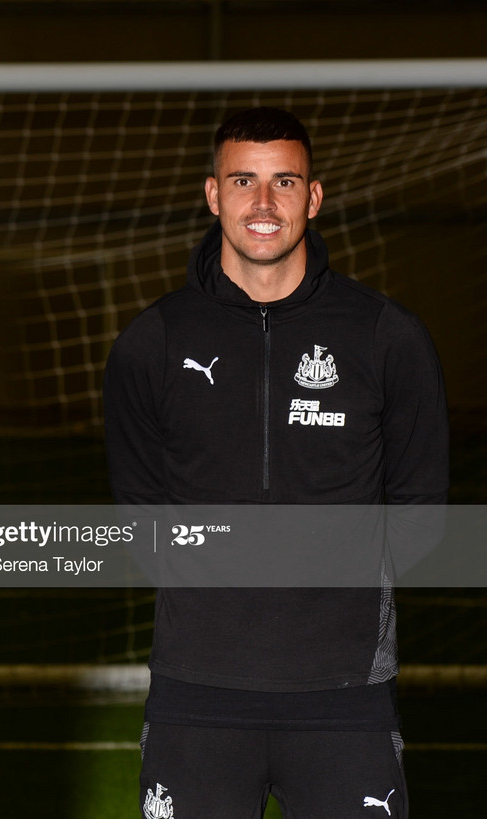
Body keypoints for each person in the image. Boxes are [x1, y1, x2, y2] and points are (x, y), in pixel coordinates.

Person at [103, 107, 448, 819]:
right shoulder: (154, 341)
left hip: (343, 696)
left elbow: (421, 515)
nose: (263, 204)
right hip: (195, 695)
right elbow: (139, 517)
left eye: (284, 182)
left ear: (314, 198)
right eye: (244, 181)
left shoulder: (386, 336)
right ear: (212, 194)